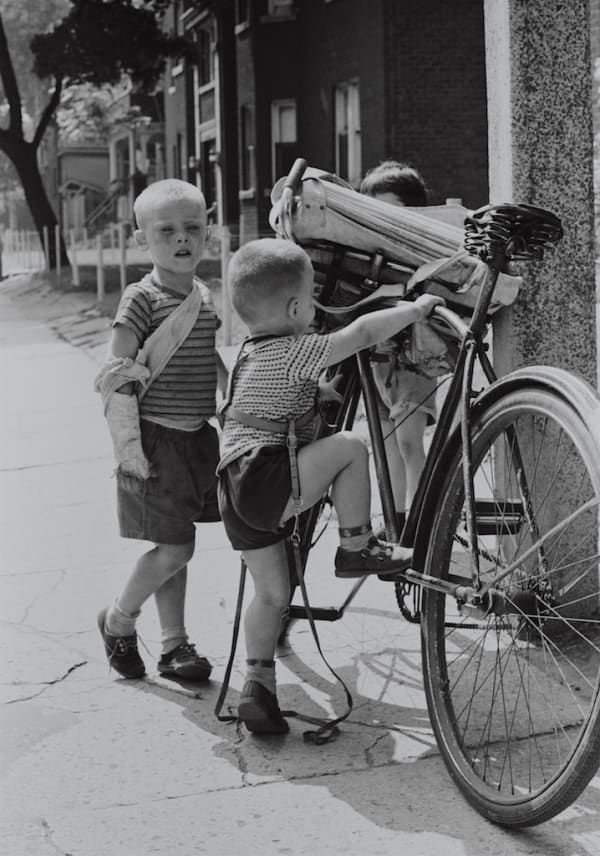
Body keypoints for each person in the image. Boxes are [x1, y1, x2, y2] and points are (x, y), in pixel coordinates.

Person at [217, 238, 443, 734]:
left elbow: (267, 404)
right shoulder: (297, 348)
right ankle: (357, 545)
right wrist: (416, 308)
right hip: (266, 475)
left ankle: (257, 684)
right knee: (352, 447)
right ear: (297, 307)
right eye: (311, 303)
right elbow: (360, 333)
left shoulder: (248, 354)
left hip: (234, 489)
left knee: (272, 593)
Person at [95, 178, 222, 683]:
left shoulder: (203, 297)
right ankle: (119, 619)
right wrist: (128, 446)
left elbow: (205, 353)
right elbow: (117, 371)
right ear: (142, 237)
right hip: (157, 438)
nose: (181, 239)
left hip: (197, 436)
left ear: (207, 230)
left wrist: (230, 392)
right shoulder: (140, 297)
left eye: (192, 227)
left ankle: (174, 646)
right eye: (166, 230)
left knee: (177, 540)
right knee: (176, 547)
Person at [360, 160, 437, 534]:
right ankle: (396, 522)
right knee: (386, 443)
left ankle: (419, 524)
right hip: (377, 358)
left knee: (408, 441)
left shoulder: (422, 248)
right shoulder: (369, 251)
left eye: (392, 210)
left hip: (411, 357)